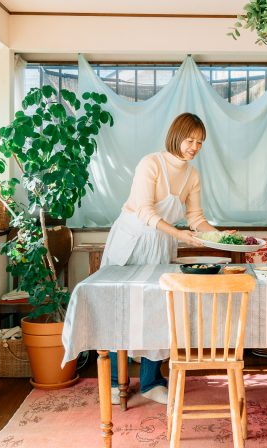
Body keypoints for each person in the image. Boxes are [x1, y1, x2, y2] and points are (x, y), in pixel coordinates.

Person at [101, 112, 220, 405]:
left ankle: (151, 382)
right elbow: (145, 210)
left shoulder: (192, 175)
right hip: (131, 239)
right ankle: (115, 381)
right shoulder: (151, 163)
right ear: (176, 137)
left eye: (200, 142)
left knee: (157, 309)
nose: (195, 147)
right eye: (190, 140)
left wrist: (221, 236)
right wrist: (179, 235)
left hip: (161, 243)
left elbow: (195, 218)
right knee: (120, 308)